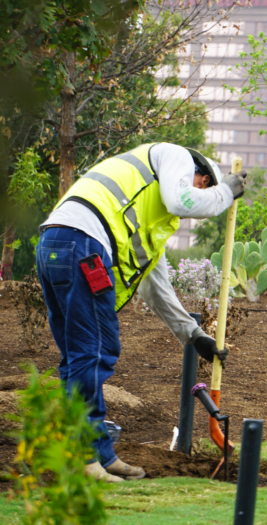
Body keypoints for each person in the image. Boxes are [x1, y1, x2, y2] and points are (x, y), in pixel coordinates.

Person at [36, 143, 246, 482]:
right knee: (94, 353)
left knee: (79, 358)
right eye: (205, 187)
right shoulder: (175, 156)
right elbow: (185, 200)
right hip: (85, 245)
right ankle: (85, 459)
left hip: (55, 245)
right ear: (203, 178)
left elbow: (154, 283)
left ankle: (100, 455)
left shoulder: (147, 213)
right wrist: (225, 194)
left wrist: (192, 335)